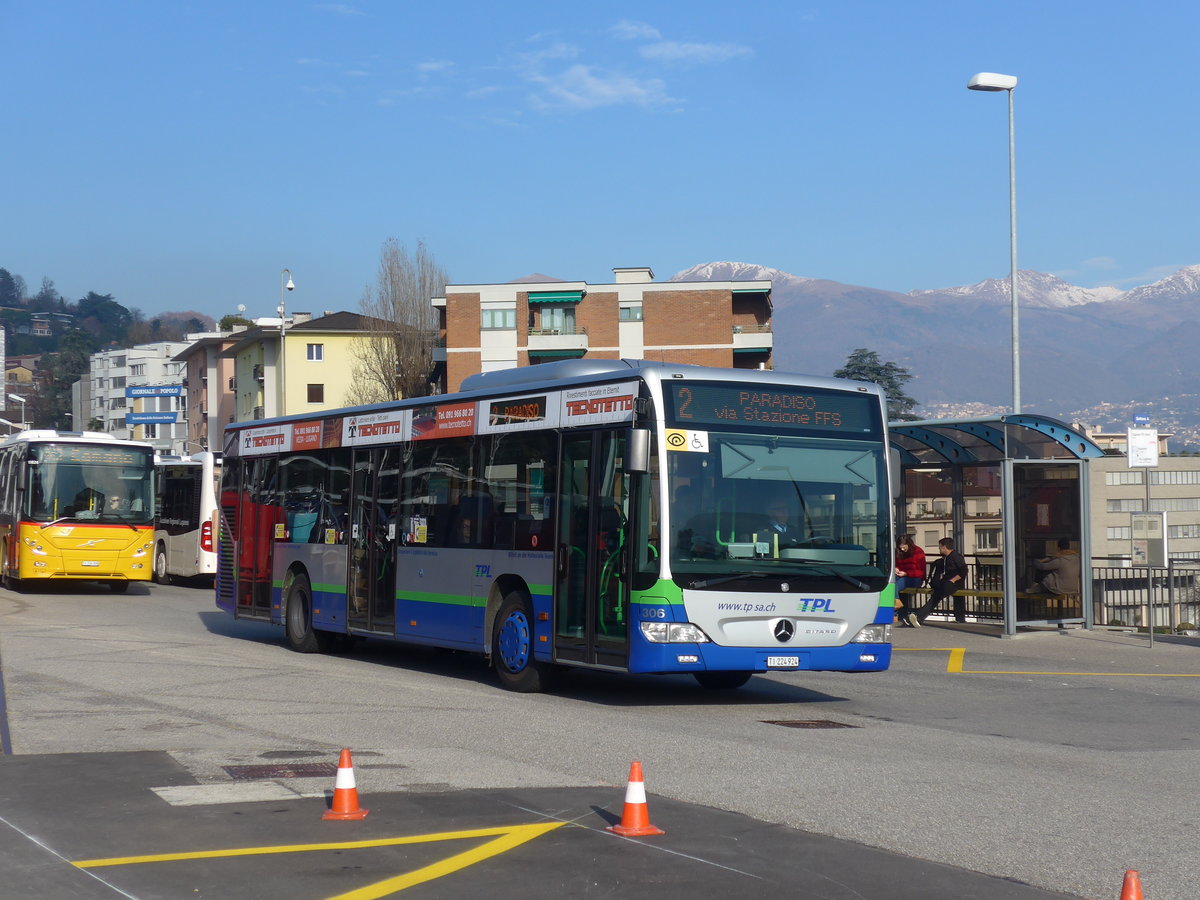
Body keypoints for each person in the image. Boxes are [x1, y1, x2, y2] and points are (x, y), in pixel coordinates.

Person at [907, 537, 967, 626]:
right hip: (947, 583)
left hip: (953, 584)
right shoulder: (946, 558)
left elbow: (964, 571)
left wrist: (952, 580)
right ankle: (918, 617)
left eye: (940, 547)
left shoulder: (956, 556)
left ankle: (918, 616)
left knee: (935, 598)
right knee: (935, 597)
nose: (939, 549)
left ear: (944, 547)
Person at [894, 535, 926, 623]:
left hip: (915, 578)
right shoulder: (898, 552)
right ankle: (897, 606)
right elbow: (897, 564)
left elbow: (921, 572)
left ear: (909, 544)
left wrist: (907, 573)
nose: (902, 550)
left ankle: (895, 613)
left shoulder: (918, 552)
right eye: (900, 548)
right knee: (890, 583)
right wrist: (896, 569)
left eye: (904, 547)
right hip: (902, 575)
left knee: (895, 585)